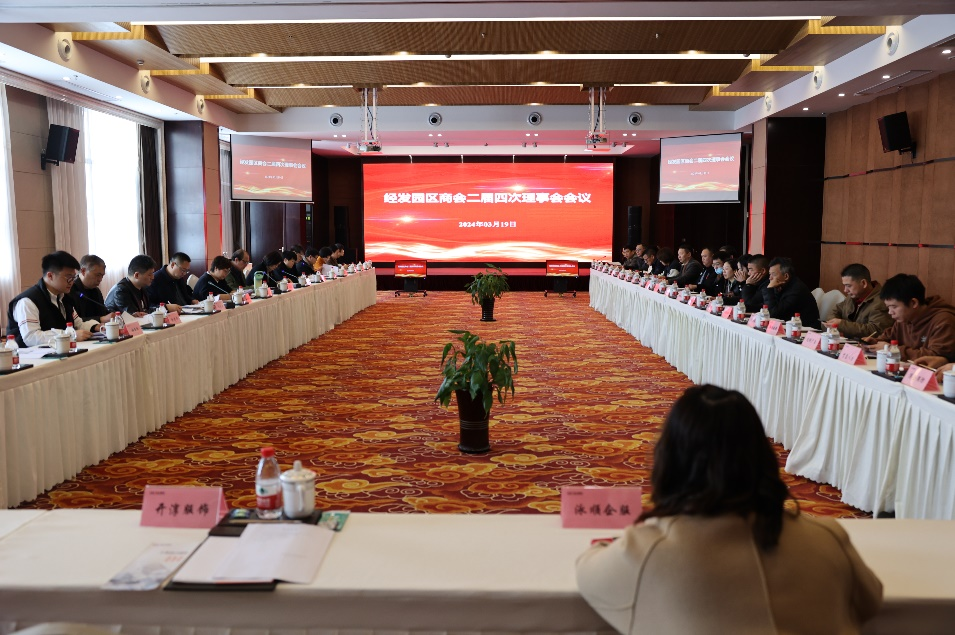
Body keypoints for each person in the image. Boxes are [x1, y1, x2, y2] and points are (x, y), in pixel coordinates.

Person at [576, 385, 883, 635]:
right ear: (763, 457)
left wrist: (619, 543)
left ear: (669, 462)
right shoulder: (826, 538)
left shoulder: (647, 552)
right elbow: (870, 599)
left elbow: (589, 573)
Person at [6, 251, 103, 347]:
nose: (72, 282)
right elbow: (31, 337)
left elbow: (78, 324)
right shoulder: (28, 301)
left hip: (59, 351)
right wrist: (70, 335)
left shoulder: (65, 297)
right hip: (29, 355)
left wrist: (97, 326)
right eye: (68, 277)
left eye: (73, 278)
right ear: (50, 276)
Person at [862, 274, 955, 361]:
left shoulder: (943, 321)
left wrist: (890, 349)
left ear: (913, 303)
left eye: (894, 307)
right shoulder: (903, 319)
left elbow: (936, 358)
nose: (890, 312)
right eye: (888, 307)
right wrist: (874, 343)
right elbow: (888, 338)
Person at [825, 264, 893, 339]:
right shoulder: (853, 296)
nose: (845, 290)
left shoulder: (881, 301)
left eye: (848, 286)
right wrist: (834, 324)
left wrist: (842, 325)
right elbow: (836, 310)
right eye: (844, 285)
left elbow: (876, 331)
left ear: (863, 283)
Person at [760, 257, 821, 329]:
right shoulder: (783, 285)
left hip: (805, 330)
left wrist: (769, 289)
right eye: (770, 274)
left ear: (786, 276)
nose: (770, 278)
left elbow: (773, 314)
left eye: (773, 274)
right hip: (792, 327)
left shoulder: (797, 290)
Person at [68, 254, 110, 322]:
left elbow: (103, 313)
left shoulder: (96, 291)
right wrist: (100, 319)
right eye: (97, 275)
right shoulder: (70, 290)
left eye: (102, 276)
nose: (100, 279)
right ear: (83, 271)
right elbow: (74, 321)